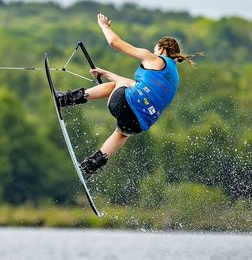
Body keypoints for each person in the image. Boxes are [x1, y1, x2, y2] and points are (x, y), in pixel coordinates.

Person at [55, 13, 199, 178]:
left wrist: (104, 26)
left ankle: (65, 99)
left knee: (123, 87)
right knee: (122, 134)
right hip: (138, 123)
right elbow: (133, 84)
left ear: (161, 49)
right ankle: (90, 166)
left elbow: (114, 42)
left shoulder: (155, 58)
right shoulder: (173, 77)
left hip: (125, 104)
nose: (153, 52)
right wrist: (107, 73)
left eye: (155, 49)